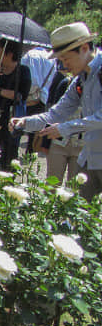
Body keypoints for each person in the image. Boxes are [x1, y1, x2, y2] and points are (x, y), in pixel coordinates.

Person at [11, 22, 102, 200]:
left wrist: (65, 128)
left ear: (84, 48)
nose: (64, 66)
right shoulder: (79, 80)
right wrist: (25, 122)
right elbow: (56, 113)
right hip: (89, 160)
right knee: (80, 217)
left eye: (66, 59)